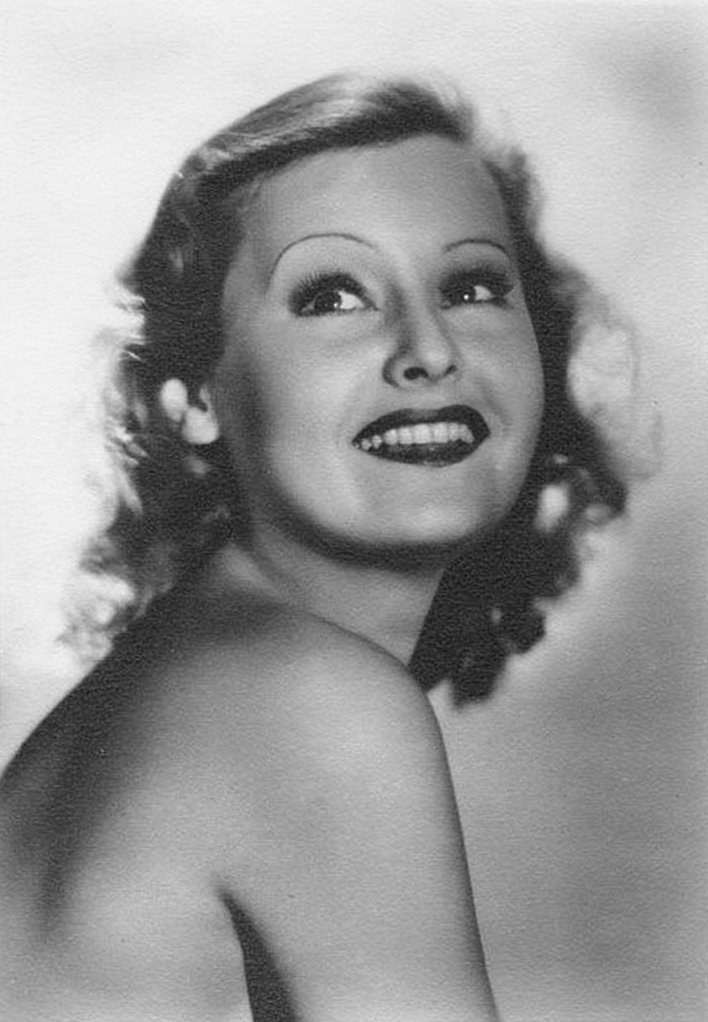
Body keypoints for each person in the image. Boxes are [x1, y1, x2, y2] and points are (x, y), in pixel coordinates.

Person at [0, 73, 634, 1021]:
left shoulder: (190, 679)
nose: (430, 350)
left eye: (471, 287)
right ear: (196, 397)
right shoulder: (308, 704)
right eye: (334, 295)